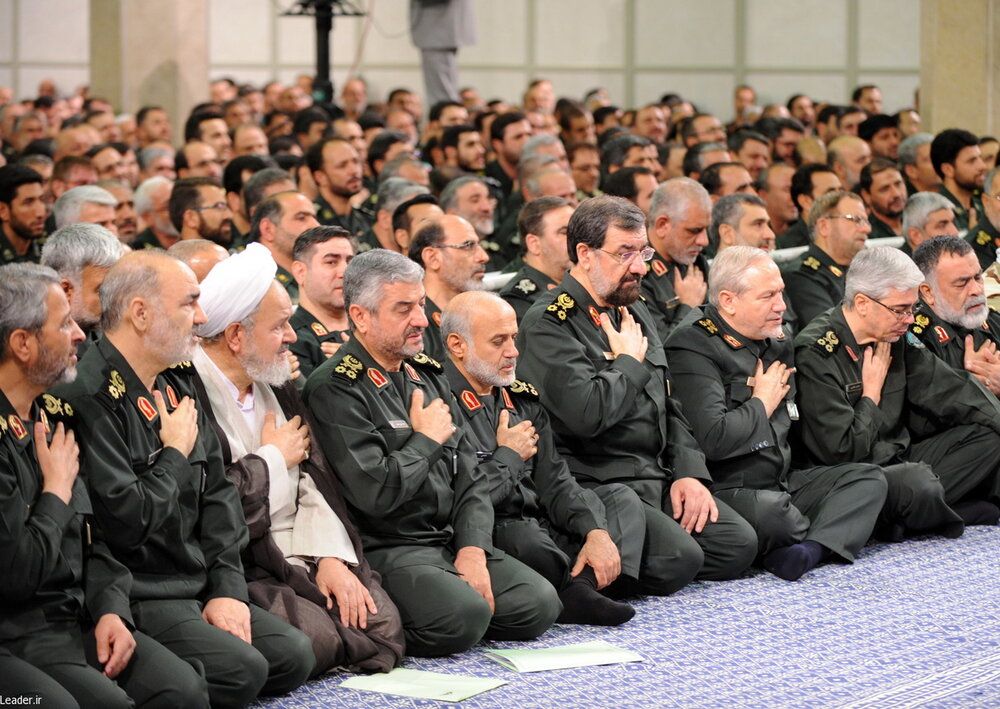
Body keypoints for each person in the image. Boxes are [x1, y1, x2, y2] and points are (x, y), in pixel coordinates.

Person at [55, 251, 315, 707]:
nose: (202, 316)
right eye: (189, 303)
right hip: (141, 589)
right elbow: (125, 522)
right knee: (241, 671)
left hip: (195, 579)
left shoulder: (177, 379)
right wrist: (173, 452)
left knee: (295, 653)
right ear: (140, 313)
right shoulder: (88, 395)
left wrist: (228, 590)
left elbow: (218, 497)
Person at [303, 249, 560, 656]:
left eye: (421, 304)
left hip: (447, 536)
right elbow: (376, 494)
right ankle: (398, 619)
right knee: (464, 617)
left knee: (539, 605)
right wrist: (425, 440)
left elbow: (470, 475)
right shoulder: (336, 387)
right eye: (403, 309)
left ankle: (449, 600)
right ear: (361, 316)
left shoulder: (425, 372)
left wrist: (473, 549)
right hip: (392, 545)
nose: (422, 319)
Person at [517, 196, 758, 594]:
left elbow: (670, 405)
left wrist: (688, 473)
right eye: (624, 252)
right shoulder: (549, 323)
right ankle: (586, 574)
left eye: (642, 251)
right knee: (683, 558)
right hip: (601, 483)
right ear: (585, 254)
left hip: (655, 475)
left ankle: (629, 558)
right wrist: (627, 362)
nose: (640, 266)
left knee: (737, 544)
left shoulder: (633, 308)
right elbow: (586, 415)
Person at [0, 263, 209, 708]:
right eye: (64, 323)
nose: (80, 334)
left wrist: (109, 607)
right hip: (18, 628)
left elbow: (95, 540)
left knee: (184, 690)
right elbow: (16, 575)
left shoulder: (51, 414)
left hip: (74, 614)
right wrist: (55, 493)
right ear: (22, 344)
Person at [192, 244, 405, 673]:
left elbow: (314, 478)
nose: (292, 337)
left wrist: (328, 556)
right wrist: (273, 457)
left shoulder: (276, 384)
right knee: (316, 640)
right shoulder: (190, 396)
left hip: (303, 539)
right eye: (280, 326)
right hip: (248, 556)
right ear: (236, 336)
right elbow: (211, 508)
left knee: (383, 628)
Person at [665, 247, 887, 580]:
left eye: (781, 293)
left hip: (782, 481)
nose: (782, 306)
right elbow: (714, 440)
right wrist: (761, 403)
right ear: (728, 301)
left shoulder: (777, 341)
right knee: (776, 516)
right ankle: (824, 534)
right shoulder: (692, 346)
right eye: (768, 296)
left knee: (868, 479)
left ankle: (808, 550)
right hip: (728, 487)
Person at [442, 291, 639, 624]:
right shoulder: (439, 404)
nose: (513, 352)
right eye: (498, 341)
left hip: (537, 520)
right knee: (528, 539)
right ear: (458, 346)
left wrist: (595, 531)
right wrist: (509, 456)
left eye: (514, 338)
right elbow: (458, 501)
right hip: (484, 532)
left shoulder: (520, 398)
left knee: (620, 501)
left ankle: (581, 585)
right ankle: (579, 586)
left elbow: (555, 480)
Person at [795, 246, 1000, 530]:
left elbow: (952, 389)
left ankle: (910, 514)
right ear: (863, 303)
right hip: (855, 475)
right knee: (917, 482)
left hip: (901, 458)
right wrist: (870, 395)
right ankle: (910, 515)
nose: (911, 319)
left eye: (913, 308)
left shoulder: (894, 336)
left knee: (988, 436)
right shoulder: (817, 354)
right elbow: (839, 452)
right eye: (900, 310)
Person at [911, 236, 1000, 394]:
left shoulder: (992, 320)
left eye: (978, 277)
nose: (977, 290)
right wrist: (970, 382)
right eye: (962, 283)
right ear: (928, 292)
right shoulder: (916, 338)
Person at [784, 190, 870, 327]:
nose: (866, 229)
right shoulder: (802, 276)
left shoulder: (862, 269)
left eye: (866, 221)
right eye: (856, 220)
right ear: (824, 226)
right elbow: (830, 330)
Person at [409, 215, 489, 361]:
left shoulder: (484, 314)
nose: (483, 256)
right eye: (468, 245)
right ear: (432, 258)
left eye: (479, 245)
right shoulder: (413, 326)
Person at [641, 178, 711, 342]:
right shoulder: (637, 274)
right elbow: (659, 350)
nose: (704, 241)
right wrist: (687, 307)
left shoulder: (695, 261)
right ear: (662, 225)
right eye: (694, 230)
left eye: (706, 229)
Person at [40, 222, 126, 355]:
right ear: (65, 290)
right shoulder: (44, 353)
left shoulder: (108, 336)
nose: (116, 301)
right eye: (103, 291)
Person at [290, 226, 355, 380]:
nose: (345, 272)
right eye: (331, 262)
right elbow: (314, 402)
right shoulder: (292, 338)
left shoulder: (373, 327)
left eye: (350, 262)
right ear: (301, 272)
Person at [498, 196, 574, 321]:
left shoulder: (585, 283)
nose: (577, 239)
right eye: (564, 232)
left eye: (577, 230)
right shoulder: (518, 300)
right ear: (534, 244)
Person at [250, 190, 321, 303]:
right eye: (301, 217)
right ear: (268, 229)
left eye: (314, 218)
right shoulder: (253, 283)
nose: (316, 225)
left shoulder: (317, 277)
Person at [931, 128, 986, 232]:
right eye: (972, 161)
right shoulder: (936, 213)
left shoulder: (983, 205)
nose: (982, 166)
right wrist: (973, 235)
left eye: (980, 158)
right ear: (948, 169)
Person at [0, 164, 46, 264]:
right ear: (3, 211)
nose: (40, 213)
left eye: (42, 199)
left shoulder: (48, 248)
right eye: (28, 202)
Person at [900, 192, 959, 257]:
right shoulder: (896, 266)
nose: (955, 232)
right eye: (942, 225)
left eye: (953, 222)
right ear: (916, 236)